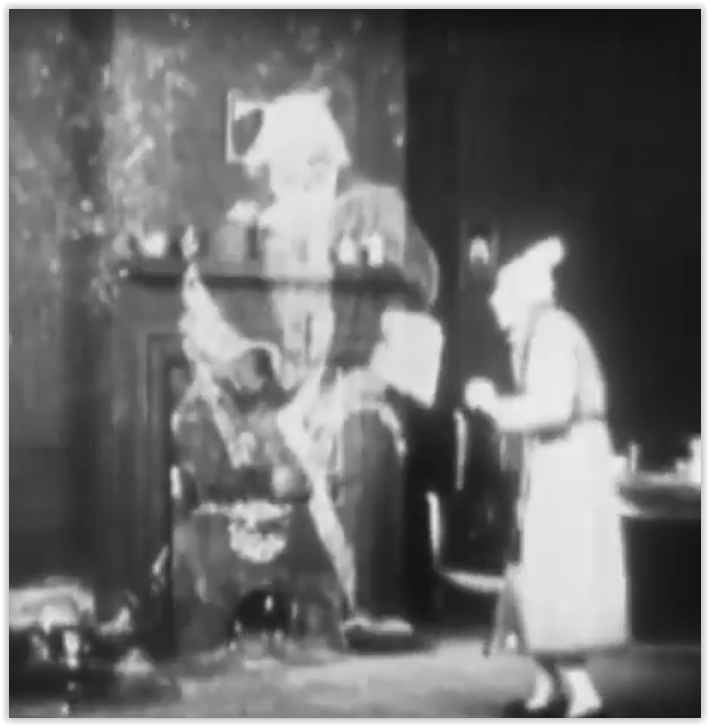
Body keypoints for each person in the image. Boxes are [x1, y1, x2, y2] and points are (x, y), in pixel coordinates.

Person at [465, 237, 628, 718]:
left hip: (570, 465)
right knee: (534, 572)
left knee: (556, 575)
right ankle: (546, 688)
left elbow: (553, 407)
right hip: (557, 462)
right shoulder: (538, 333)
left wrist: (492, 404)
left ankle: (581, 694)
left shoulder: (553, 332)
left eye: (505, 297)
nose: (498, 309)